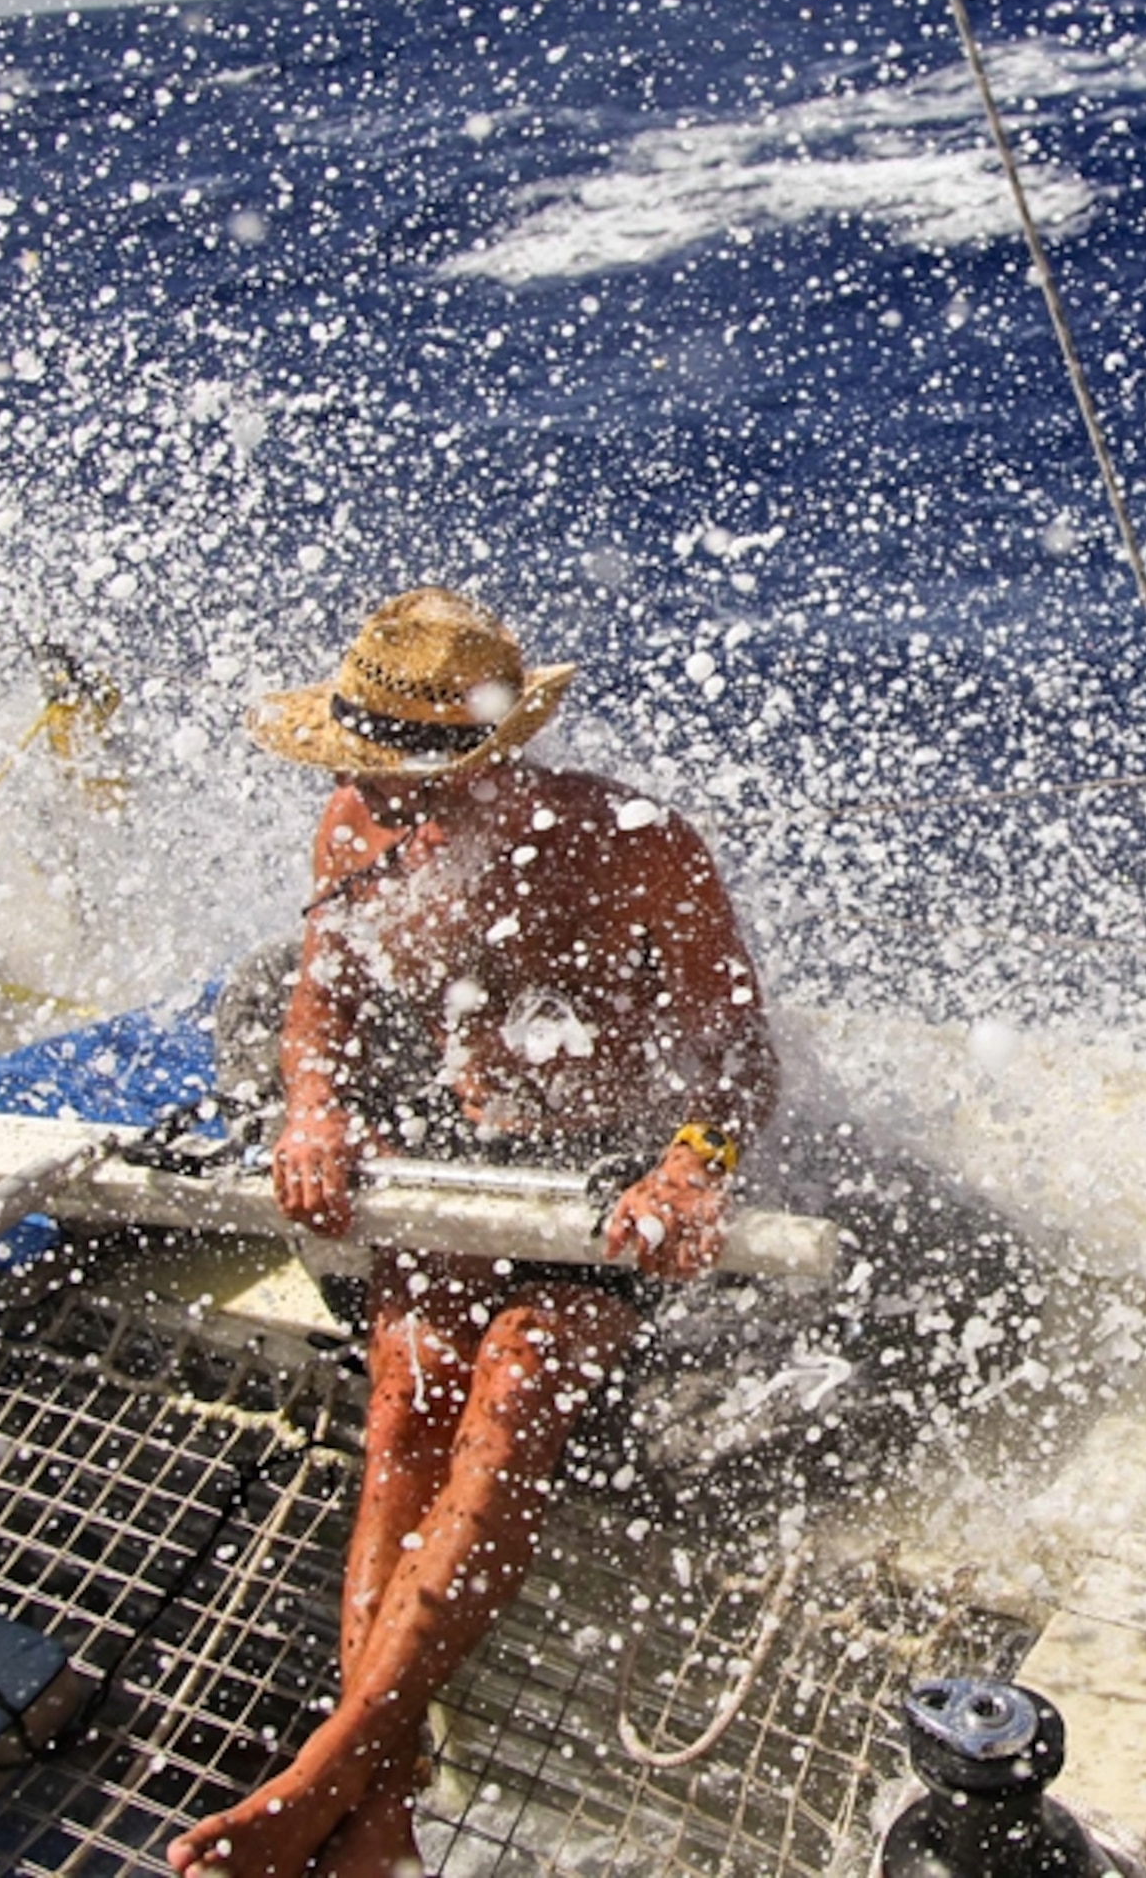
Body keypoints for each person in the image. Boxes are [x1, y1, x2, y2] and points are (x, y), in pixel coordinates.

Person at [169, 587, 776, 1878]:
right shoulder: (358, 829)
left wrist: (691, 1167)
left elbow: (739, 1057)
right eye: (364, 778)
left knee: (513, 1382)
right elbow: (320, 1012)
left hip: (603, 1166)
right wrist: (316, 1111)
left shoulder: (634, 841)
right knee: (407, 1396)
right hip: (453, 1150)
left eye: (407, 785)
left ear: (494, 764)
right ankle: (373, 1799)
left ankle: (331, 1773)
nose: (382, 807)